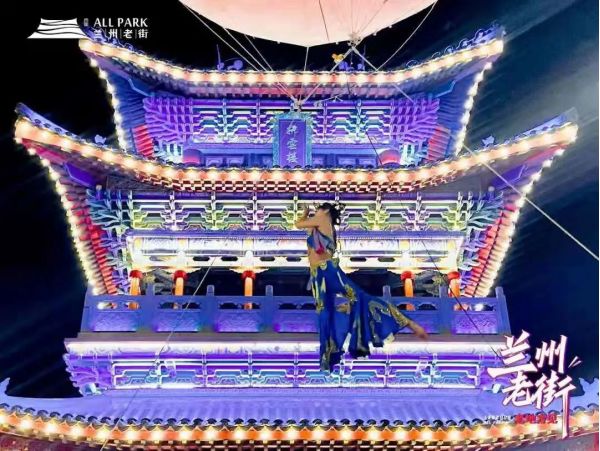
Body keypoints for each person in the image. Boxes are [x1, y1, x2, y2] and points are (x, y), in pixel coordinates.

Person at [295, 202, 428, 371]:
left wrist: (306, 213)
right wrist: (306, 215)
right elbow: (304, 227)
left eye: (318, 210)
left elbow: (298, 224)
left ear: (326, 211)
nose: (316, 213)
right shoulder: (318, 227)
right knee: (325, 313)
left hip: (327, 271)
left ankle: (409, 323)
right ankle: (329, 355)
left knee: (359, 298)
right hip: (317, 275)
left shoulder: (323, 219)